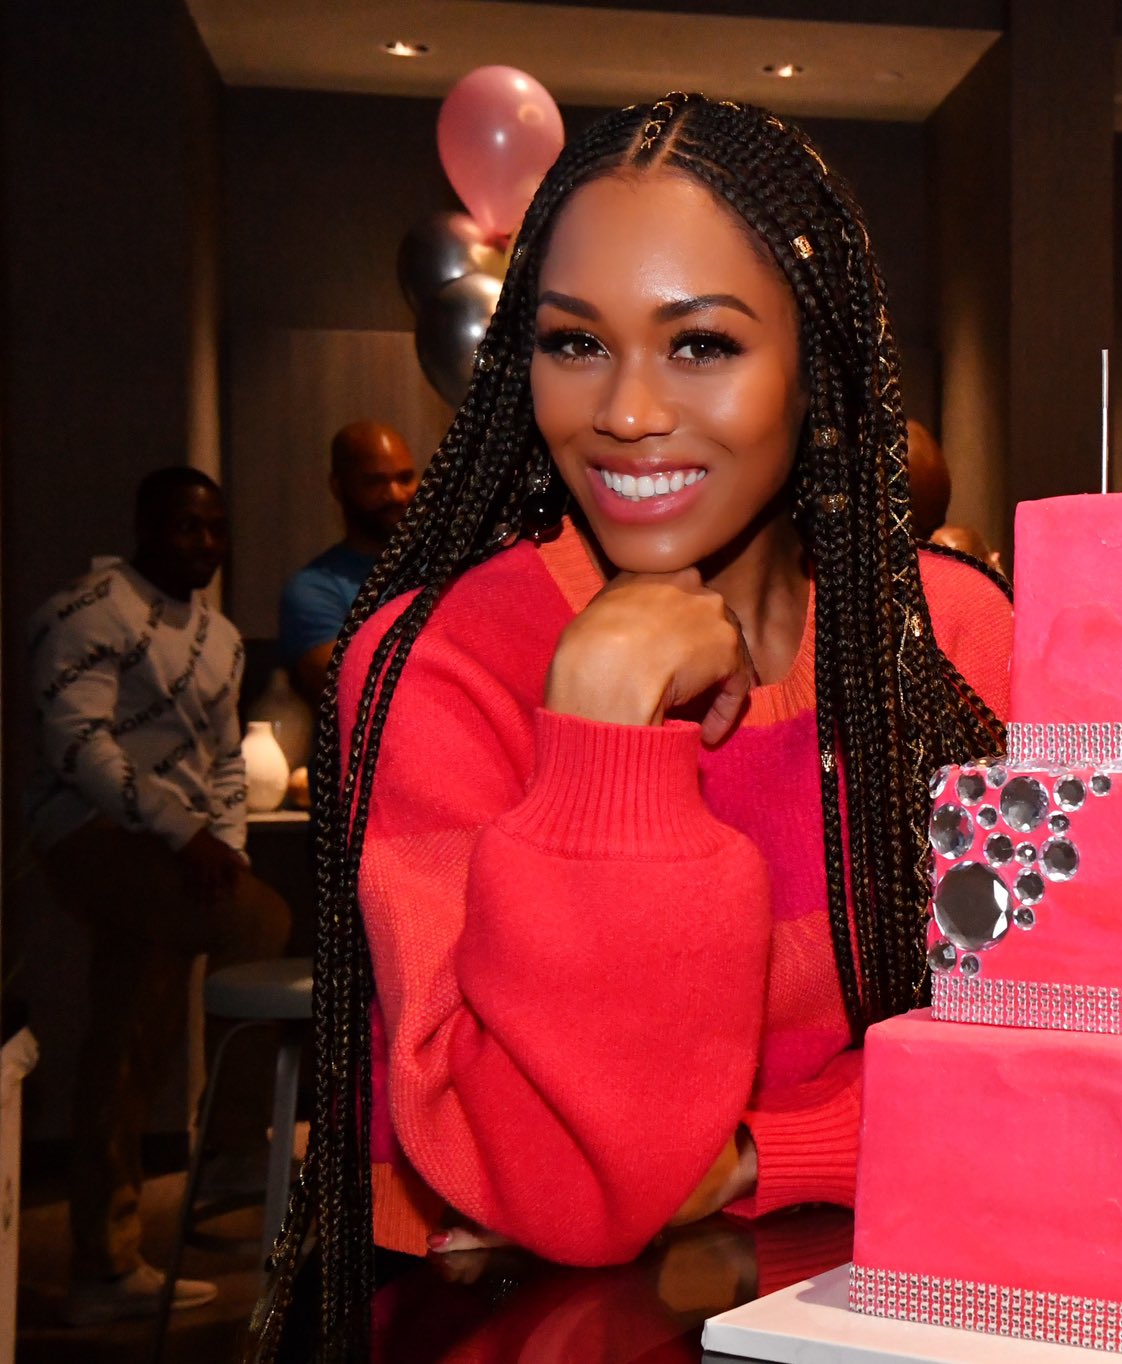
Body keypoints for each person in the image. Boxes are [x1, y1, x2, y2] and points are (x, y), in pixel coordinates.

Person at [252, 94, 1011, 1359]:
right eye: (573, 342)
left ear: (811, 361)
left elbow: (1081, 1052)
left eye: (701, 343)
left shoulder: (953, 642)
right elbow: (566, 1182)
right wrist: (601, 735)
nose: (624, 411)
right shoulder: (437, 664)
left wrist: (767, 1147)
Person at [26, 468, 291, 1324]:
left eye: (216, 531)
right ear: (146, 525)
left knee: (133, 1019)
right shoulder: (89, 610)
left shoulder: (217, 636)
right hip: (94, 835)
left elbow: (219, 760)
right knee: (257, 925)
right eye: (187, 529)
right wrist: (190, 838)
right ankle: (225, 1157)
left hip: (175, 850)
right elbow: (78, 745)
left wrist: (230, 846)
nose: (205, 546)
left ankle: (109, 1261)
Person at [278, 421, 419, 700]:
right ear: (338, 487)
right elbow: (352, 688)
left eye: (405, 478)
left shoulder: (444, 568)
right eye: (374, 482)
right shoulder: (314, 589)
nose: (395, 495)